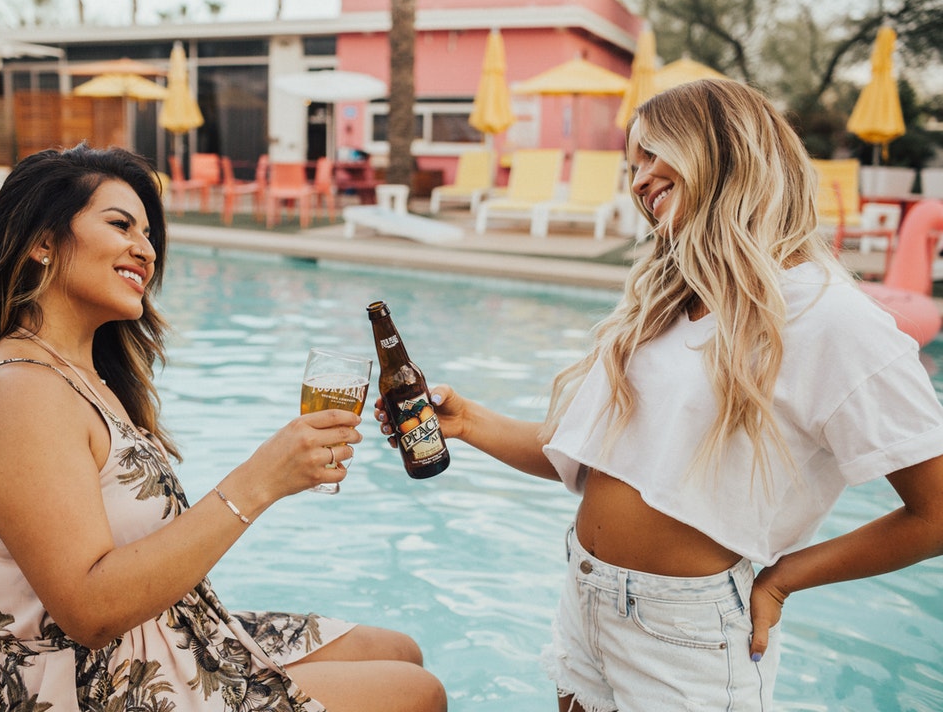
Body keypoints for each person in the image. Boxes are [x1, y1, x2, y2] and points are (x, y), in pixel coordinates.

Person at [377, 79, 943, 711]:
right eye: (632, 164)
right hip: (584, 594)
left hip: (690, 634)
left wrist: (785, 581)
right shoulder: (667, 305)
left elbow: (936, 512)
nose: (640, 177)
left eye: (654, 154)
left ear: (726, 149)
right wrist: (468, 420)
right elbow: (593, 463)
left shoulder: (830, 318)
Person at [0, 143, 446, 712]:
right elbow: (86, 610)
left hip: (171, 632)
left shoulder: (80, 373)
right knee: (418, 695)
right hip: (108, 681)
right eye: (121, 224)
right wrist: (260, 481)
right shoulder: (21, 393)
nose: (145, 249)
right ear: (43, 242)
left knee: (400, 650)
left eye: (150, 234)